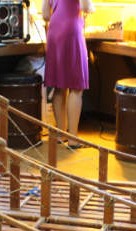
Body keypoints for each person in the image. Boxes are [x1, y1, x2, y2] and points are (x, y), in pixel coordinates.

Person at [41, 0, 94, 148]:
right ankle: (73, 138)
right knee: (76, 88)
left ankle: (60, 134)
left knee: (59, 85)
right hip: (72, 30)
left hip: (54, 31)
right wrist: (91, 7)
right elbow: (86, 7)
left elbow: (45, 14)